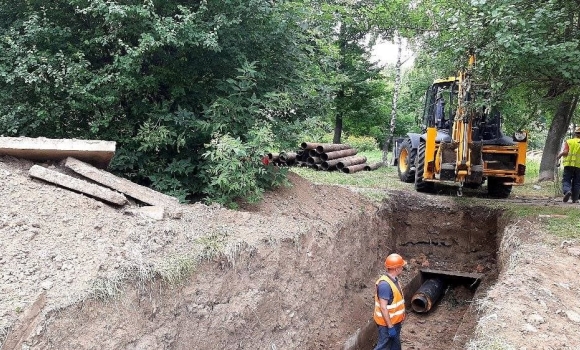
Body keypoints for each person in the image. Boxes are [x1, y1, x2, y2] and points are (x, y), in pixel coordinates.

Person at [373, 253, 407, 350]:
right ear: (396, 269)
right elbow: (383, 307)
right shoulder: (385, 285)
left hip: (395, 322)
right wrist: (390, 327)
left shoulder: (394, 280)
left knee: (395, 346)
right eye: (401, 266)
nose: (402, 268)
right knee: (383, 346)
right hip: (387, 324)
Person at [557, 127, 580, 203]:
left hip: (569, 164)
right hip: (579, 166)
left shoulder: (569, 141)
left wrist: (559, 156)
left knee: (566, 180)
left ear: (575, 133)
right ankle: (575, 199)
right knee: (577, 182)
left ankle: (567, 191)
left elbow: (566, 152)